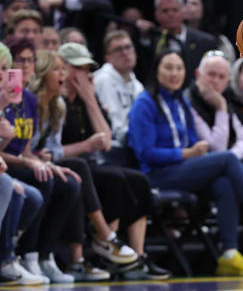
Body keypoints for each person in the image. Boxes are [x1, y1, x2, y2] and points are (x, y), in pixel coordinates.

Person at [128, 50, 243, 276]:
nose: (174, 73)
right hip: (156, 174)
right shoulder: (145, 103)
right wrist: (185, 153)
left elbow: (196, 141)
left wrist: (193, 150)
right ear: (156, 71)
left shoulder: (179, 100)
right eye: (168, 68)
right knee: (227, 160)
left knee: (224, 183)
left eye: (179, 68)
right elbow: (145, 153)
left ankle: (228, 254)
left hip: (184, 168)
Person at [57, 43, 169, 280]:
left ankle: (136, 258)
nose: (84, 74)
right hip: (71, 164)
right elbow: (51, 150)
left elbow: (106, 141)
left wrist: (89, 100)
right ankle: (107, 243)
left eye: (87, 68)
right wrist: (86, 146)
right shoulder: (57, 100)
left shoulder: (87, 97)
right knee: (114, 178)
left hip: (91, 163)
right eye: (78, 68)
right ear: (62, 68)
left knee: (138, 180)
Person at [0, 36, 81, 284]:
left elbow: (23, 150)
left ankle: (42, 257)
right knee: (34, 183)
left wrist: (39, 162)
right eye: (18, 61)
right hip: (10, 167)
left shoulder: (28, 100)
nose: (24, 66)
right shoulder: (8, 99)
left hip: (12, 164)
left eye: (30, 60)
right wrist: (29, 163)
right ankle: (17, 257)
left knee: (67, 180)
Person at [93, 30, 144, 167]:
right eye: (118, 49)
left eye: (128, 47)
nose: (125, 52)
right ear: (108, 57)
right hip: (111, 148)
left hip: (132, 142)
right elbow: (115, 127)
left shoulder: (138, 85)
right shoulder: (103, 79)